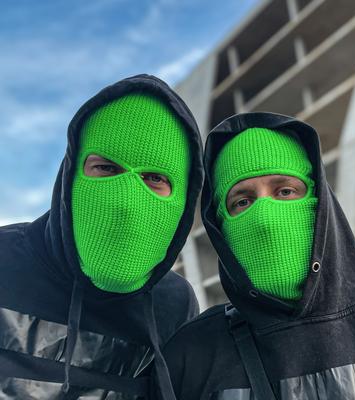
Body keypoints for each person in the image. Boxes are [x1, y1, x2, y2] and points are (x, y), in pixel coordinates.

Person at [156, 112, 355, 399]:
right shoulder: (192, 355)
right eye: (242, 201)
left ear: (320, 202)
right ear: (220, 227)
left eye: (285, 191)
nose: (264, 220)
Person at [0, 74, 203, 399]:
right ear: (70, 176)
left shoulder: (173, 303)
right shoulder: (5, 257)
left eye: (154, 178)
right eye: (107, 168)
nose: (125, 202)